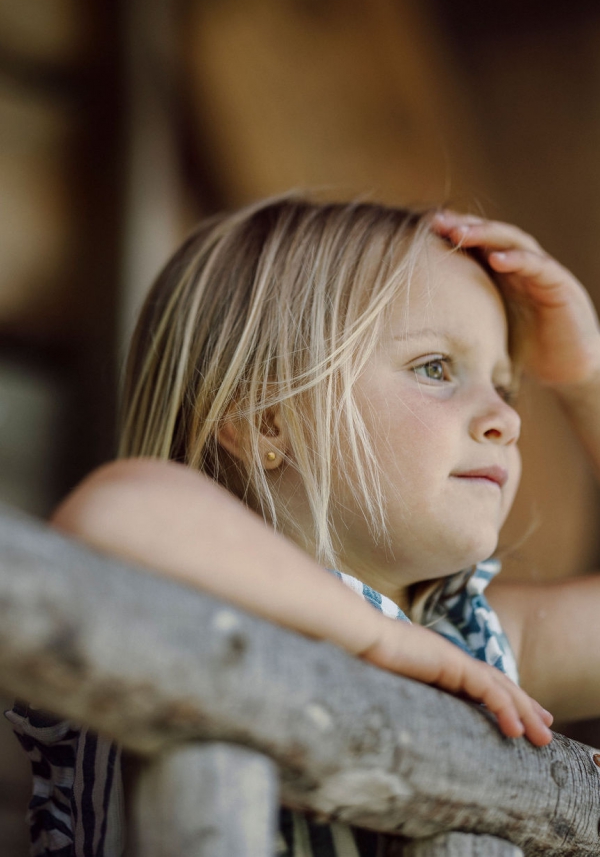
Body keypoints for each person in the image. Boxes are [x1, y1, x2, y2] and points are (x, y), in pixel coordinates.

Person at [8, 196, 600, 856]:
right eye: (435, 368)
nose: (505, 419)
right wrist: (382, 641)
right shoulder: (193, 594)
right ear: (266, 421)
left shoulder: (473, 637)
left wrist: (586, 378)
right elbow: (114, 510)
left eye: (506, 387)